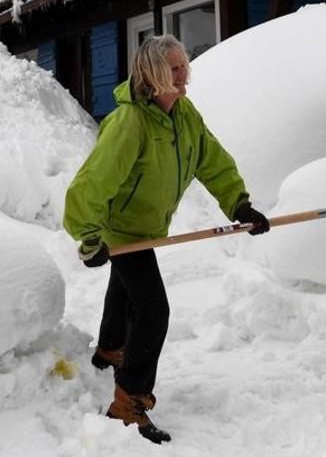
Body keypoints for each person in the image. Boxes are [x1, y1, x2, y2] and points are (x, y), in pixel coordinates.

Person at [63, 34, 270, 444]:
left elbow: (213, 160)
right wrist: (88, 236)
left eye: (184, 65)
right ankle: (128, 401)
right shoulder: (129, 123)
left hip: (145, 225)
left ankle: (109, 351)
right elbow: (92, 183)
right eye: (174, 68)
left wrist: (239, 205)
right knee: (153, 310)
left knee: (125, 290)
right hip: (122, 228)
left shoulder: (183, 114)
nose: (184, 74)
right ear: (153, 73)